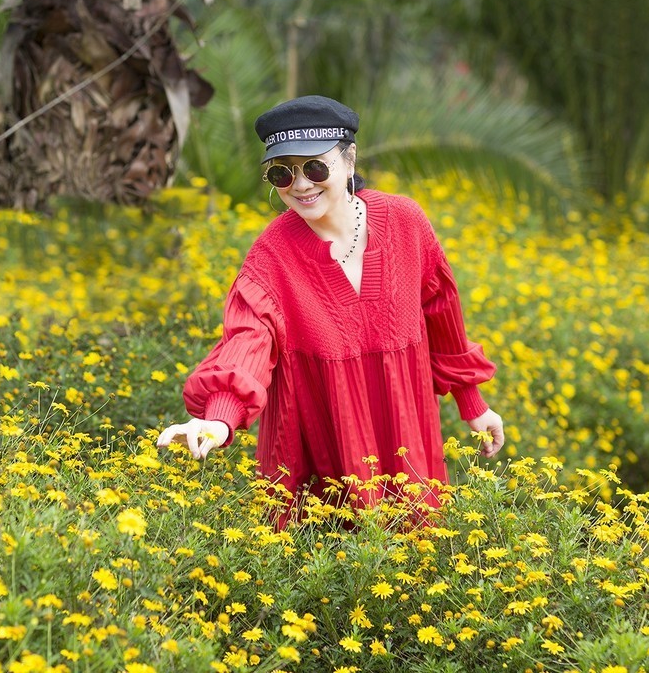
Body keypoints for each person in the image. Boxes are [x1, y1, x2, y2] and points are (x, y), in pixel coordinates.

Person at [156, 95, 505, 527]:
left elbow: (441, 312)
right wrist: (219, 420)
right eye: (282, 173)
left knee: (414, 560)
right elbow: (248, 338)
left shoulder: (406, 222)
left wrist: (473, 403)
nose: (301, 185)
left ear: (349, 159)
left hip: (405, 434)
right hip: (318, 450)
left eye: (315, 168)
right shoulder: (271, 256)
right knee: (325, 574)